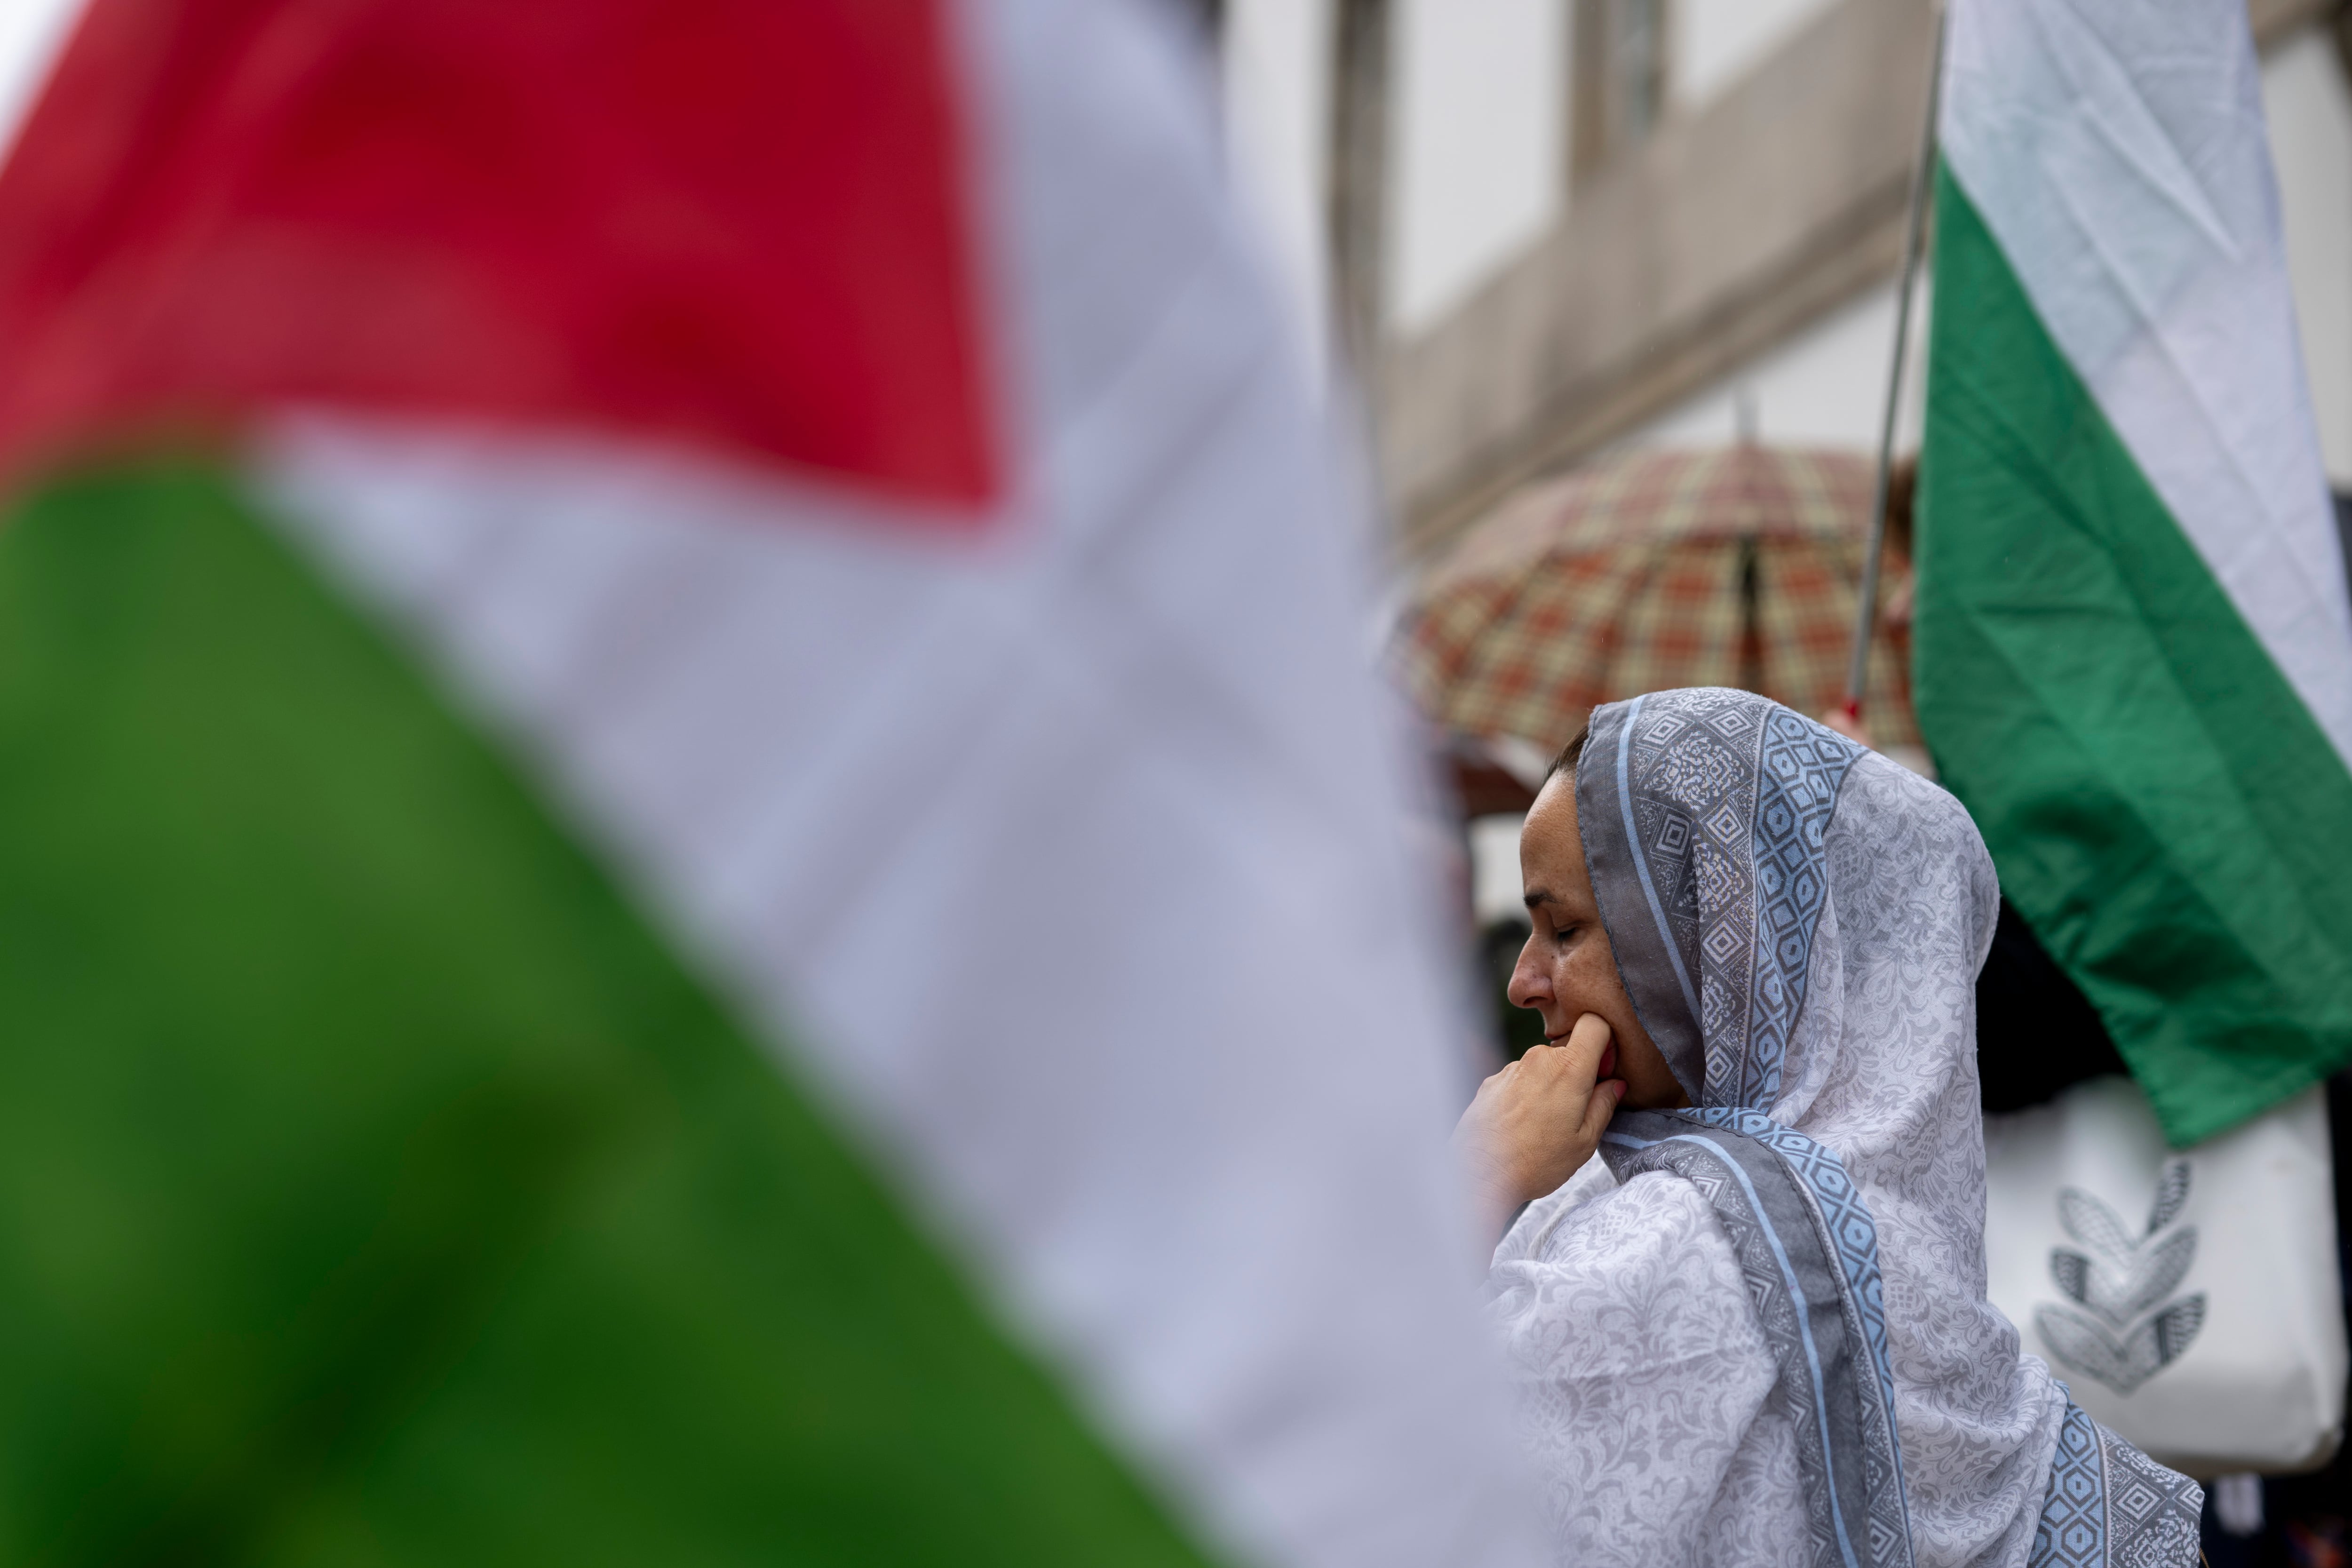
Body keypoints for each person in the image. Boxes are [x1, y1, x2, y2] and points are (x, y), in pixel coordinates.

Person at [1454, 687, 2203, 1568]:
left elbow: (1380, 1479)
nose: (1525, 979)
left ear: (1708, 938)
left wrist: (1472, 1184)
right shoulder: (1875, 1207)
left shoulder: (1672, 1248)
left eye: (1566, 928)